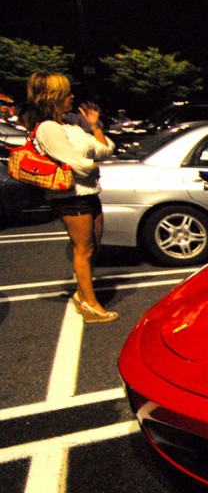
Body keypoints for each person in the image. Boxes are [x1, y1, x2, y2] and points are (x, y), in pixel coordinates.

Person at [20, 72, 117, 323]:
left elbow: (105, 149)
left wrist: (94, 126)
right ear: (53, 97)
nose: (72, 96)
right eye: (67, 93)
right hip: (68, 196)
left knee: (94, 246)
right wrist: (92, 167)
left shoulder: (69, 126)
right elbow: (73, 163)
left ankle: (83, 294)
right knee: (83, 250)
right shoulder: (48, 128)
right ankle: (90, 305)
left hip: (89, 192)